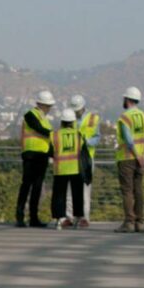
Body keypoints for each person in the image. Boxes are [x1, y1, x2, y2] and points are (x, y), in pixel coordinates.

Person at [16, 90, 56, 228]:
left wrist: (55, 153)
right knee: (26, 185)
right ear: (40, 104)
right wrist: (54, 134)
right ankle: (20, 216)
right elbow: (39, 129)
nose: (49, 108)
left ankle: (34, 218)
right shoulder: (30, 114)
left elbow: (47, 140)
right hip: (31, 155)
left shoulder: (45, 119)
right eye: (47, 105)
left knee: (37, 187)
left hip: (42, 156)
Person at [115, 86, 144, 233]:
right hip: (141, 158)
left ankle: (129, 222)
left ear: (127, 99)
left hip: (127, 158)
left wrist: (136, 155)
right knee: (139, 190)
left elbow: (129, 141)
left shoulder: (125, 117)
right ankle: (140, 222)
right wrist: (143, 156)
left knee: (127, 191)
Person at [49, 107, 86, 230]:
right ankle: (77, 217)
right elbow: (82, 150)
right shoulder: (78, 135)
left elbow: (50, 151)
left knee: (59, 195)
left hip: (60, 169)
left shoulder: (54, 135)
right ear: (73, 121)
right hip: (76, 169)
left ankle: (59, 219)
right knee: (77, 194)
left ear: (62, 122)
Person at [73, 95, 98, 229]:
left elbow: (97, 137)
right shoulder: (70, 118)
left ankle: (84, 218)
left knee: (85, 188)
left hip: (87, 157)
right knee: (71, 188)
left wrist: (88, 142)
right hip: (72, 157)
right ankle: (70, 217)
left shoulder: (93, 119)